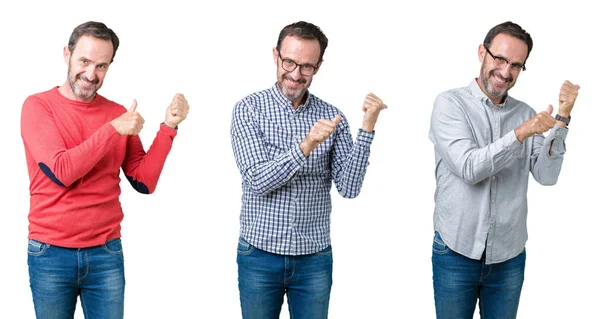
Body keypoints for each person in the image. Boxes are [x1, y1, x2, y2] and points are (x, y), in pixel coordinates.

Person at [21, 21, 189, 319]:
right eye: (84, 61)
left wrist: (169, 127)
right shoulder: (37, 106)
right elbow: (62, 171)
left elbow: (143, 182)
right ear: (67, 54)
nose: (90, 74)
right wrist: (112, 130)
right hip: (50, 253)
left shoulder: (117, 114)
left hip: (106, 253)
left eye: (101, 66)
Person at [230, 21, 387, 318]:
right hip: (259, 256)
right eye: (289, 61)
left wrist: (367, 126)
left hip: (314, 259)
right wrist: (307, 144)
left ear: (319, 66)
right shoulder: (248, 109)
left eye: (306, 67)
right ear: (276, 55)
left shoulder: (332, 115)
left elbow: (349, 188)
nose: (295, 74)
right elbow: (257, 180)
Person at [428, 21, 579, 318]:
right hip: (456, 253)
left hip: (508, 257)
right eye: (499, 59)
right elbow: (470, 168)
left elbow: (547, 176)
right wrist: (520, 134)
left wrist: (562, 119)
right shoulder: (450, 104)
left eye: (516, 65)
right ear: (482, 52)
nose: (505, 72)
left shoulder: (525, 113)